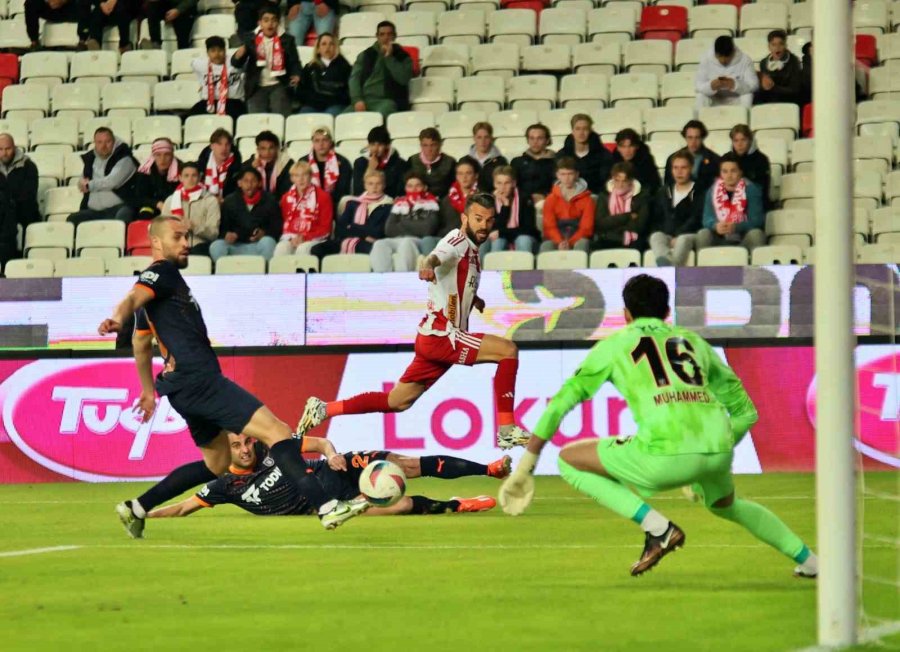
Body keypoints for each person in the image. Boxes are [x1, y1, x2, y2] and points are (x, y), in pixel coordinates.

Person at [499, 274, 819, 578]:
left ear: (625, 314)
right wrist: (708, 451)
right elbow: (746, 413)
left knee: (569, 461)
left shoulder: (615, 346)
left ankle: (658, 529)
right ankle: (811, 561)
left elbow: (560, 404)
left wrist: (525, 465)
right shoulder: (694, 342)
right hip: (718, 449)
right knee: (727, 506)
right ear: (667, 311)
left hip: (665, 456)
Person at [104, 216, 365, 538]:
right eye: (178, 237)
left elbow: (141, 343)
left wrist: (147, 391)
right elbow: (130, 300)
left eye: (188, 236)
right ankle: (327, 506)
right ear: (156, 242)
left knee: (216, 464)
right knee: (278, 432)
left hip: (179, 389)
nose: (186, 243)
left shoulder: (157, 295)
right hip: (200, 379)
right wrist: (117, 317)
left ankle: (137, 508)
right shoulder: (162, 273)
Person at [297, 192, 532, 450]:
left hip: (432, 339)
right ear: (465, 217)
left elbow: (455, 281)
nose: (484, 226)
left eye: (489, 220)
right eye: (478, 219)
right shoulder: (457, 240)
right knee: (507, 350)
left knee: (397, 401)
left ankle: (324, 409)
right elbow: (436, 256)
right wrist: (428, 264)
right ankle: (507, 428)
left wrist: (473, 299)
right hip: (444, 335)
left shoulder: (473, 251)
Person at [147, 432, 509, 519]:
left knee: (406, 464)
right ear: (225, 451)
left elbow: (319, 442)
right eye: (237, 446)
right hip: (331, 504)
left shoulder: (272, 447)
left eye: (246, 442)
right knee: (397, 506)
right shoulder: (223, 486)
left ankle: (486, 468)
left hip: (337, 469)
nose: (244, 449)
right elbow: (181, 508)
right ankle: (454, 505)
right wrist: (144, 511)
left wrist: (334, 455)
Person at [231, 5, 301, 117]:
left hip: (279, 84)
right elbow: (236, 64)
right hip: (257, 86)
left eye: (274, 20)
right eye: (266, 20)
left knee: (280, 118)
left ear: (278, 23)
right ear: (260, 23)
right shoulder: (251, 39)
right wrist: (238, 55)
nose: (270, 24)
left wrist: (296, 74)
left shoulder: (287, 40)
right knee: (257, 120)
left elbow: (294, 62)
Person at [696, 153, 766, 254]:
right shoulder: (712, 190)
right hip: (719, 238)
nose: (729, 176)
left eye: (733, 171)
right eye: (725, 171)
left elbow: (757, 220)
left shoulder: (751, 189)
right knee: (703, 234)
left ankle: (753, 269)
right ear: (720, 173)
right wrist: (715, 226)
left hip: (743, 239)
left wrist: (737, 226)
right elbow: (707, 218)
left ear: (740, 172)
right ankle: (703, 268)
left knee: (757, 234)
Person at [370, 171, 439, 272]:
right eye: (410, 186)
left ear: (425, 187)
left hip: (418, 240)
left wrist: (402, 222)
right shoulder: (400, 203)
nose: (414, 189)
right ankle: (382, 281)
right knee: (379, 244)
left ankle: (401, 281)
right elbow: (389, 229)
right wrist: (415, 226)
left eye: (417, 186)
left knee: (407, 243)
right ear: (406, 188)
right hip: (398, 239)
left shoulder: (432, 204)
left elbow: (427, 229)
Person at [68, 127, 137, 227]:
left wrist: (89, 185)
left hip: (118, 208)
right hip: (93, 211)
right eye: (99, 142)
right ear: (94, 143)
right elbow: (82, 181)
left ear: (114, 141)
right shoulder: (90, 159)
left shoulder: (125, 159)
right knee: (72, 219)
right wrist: (82, 184)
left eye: (107, 142)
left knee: (124, 217)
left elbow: (112, 182)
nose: (103, 146)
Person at [210, 167, 281, 262]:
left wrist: (264, 233)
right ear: (239, 183)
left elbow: (277, 228)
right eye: (246, 181)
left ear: (259, 183)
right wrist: (227, 235)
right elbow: (222, 228)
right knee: (216, 246)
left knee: (268, 242)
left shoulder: (270, 200)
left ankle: (263, 273)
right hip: (235, 246)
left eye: (253, 181)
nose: (249, 185)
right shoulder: (230, 201)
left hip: (259, 245)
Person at [649, 149, 704, 267]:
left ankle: (670, 271)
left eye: (683, 168)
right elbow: (657, 219)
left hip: (690, 235)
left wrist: (678, 235)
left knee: (683, 240)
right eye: (675, 168)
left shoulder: (699, 190)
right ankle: (668, 265)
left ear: (691, 168)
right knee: (656, 236)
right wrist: (668, 234)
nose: (679, 172)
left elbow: (696, 218)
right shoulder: (663, 191)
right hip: (668, 234)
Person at [347, 20, 414, 116]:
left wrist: (389, 58)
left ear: (394, 36)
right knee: (343, 118)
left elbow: (403, 79)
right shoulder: (365, 55)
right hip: (364, 100)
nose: (386, 37)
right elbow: (354, 79)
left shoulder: (403, 56)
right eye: (382, 34)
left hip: (388, 101)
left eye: (389, 34)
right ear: (377, 36)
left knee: (383, 112)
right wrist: (357, 99)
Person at [274, 160, 333, 257]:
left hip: (315, 238)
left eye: (304, 175)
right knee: (281, 248)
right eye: (296, 176)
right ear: (292, 178)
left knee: (302, 249)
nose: (301, 179)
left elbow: (326, 228)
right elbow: (284, 224)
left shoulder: (323, 197)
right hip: (292, 237)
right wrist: (290, 239)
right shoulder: (286, 198)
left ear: (311, 176)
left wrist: (305, 237)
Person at [162, 163, 220, 256]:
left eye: (194, 175)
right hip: (176, 246)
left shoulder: (210, 200)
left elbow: (214, 234)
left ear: (199, 177)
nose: (190, 179)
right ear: (180, 178)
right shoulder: (170, 200)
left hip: (200, 246)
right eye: (186, 176)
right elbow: (162, 230)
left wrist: (194, 227)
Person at [540, 157, 594, 254]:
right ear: (558, 175)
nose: (567, 178)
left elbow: (586, 227)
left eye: (570, 174)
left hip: (578, 237)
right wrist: (560, 242)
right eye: (563, 174)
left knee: (582, 244)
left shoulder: (587, 199)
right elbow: (549, 226)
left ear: (577, 174)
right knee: (546, 246)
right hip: (557, 236)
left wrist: (570, 242)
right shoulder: (550, 199)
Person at [332, 169, 393, 255]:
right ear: (365, 185)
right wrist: (364, 235)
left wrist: (352, 226)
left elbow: (378, 232)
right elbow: (339, 229)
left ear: (384, 185)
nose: (374, 187)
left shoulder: (388, 206)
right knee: (317, 249)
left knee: (371, 250)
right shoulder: (352, 203)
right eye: (370, 184)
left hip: (372, 243)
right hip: (349, 240)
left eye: (378, 184)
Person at [427, 157, 480, 254]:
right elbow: (441, 225)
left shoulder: (482, 198)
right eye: (460, 173)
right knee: (428, 240)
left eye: (468, 173)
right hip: (449, 239)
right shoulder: (447, 199)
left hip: (473, 238)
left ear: (476, 175)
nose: (464, 177)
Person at [0, 134, 40, 261]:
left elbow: (28, 195)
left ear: (14, 147)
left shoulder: (28, 167)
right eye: (0, 149)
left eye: (7, 149)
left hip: (23, 211)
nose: (4, 153)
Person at [483, 165, 538, 258]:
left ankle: (523, 272)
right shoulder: (489, 201)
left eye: (507, 183)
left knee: (523, 240)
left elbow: (528, 229)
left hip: (523, 236)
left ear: (514, 183)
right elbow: (493, 228)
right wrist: (505, 206)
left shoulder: (525, 198)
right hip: (500, 238)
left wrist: (502, 233)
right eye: (499, 183)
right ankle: (489, 272)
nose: (502, 187)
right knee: (497, 242)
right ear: (494, 184)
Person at [594, 162, 651, 252]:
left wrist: (613, 224)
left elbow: (639, 227)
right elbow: (601, 224)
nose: (620, 185)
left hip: (633, 241)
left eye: (624, 181)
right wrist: (627, 216)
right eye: (617, 180)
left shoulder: (642, 197)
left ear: (631, 181)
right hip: (608, 239)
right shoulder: (604, 196)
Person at [190, 36, 246, 120]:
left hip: (232, 102)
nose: (217, 54)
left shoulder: (235, 62)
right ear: (207, 53)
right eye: (213, 51)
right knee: (191, 118)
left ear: (225, 50)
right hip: (209, 102)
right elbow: (193, 65)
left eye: (220, 50)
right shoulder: (200, 64)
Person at [695, 35, 758, 108]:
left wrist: (735, 85)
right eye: (720, 56)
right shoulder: (705, 59)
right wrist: (710, 86)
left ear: (733, 52)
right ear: (715, 53)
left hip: (736, 99)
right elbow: (698, 86)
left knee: (748, 96)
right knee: (701, 96)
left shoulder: (745, 60)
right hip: (714, 99)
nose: (723, 60)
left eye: (727, 57)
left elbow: (754, 85)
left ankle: (744, 118)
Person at [555, 114, 612, 194]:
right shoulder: (562, 155)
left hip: (595, 195)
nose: (581, 133)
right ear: (572, 131)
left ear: (590, 130)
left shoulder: (604, 155)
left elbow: (606, 181)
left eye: (585, 129)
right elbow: (557, 180)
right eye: (578, 129)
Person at [299, 33, 352, 116]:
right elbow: (302, 90)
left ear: (335, 47)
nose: (327, 47)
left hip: (335, 105)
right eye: (324, 44)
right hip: (313, 105)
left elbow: (347, 91)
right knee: (304, 115)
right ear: (318, 49)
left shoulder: (345, 67)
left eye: (331, 44)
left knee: (330, 114)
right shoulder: (309, 68)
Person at [664, 120, 719, 195]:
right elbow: (668, 185)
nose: (693, 141)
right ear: (685, 138)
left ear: (702, 138)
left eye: (697, 137)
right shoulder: (673, 159)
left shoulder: (714, 160)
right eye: (690, 137)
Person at [352, 126, 409, 199]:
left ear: (387, 146)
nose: (376, 148)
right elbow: (358, 192)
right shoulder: (360, 162)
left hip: (389, 203)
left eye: (380, 145)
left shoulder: (400, 164)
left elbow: (400, 192)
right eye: (372, 144)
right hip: (365, 202)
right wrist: (370, 170)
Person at [133, 138, 181, 219]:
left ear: (172, 155)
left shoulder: (181, 170)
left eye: (167, 154)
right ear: (153, 155)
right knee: (144, 214)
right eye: (158, 155)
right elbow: (139, 197)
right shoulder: (145, 170)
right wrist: (157, 204)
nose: (162, 159)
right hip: (152, 205)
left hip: (174, 207)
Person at [306, 126, 352, 208]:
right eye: (317, 141)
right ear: (312, 143)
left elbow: (343, 191)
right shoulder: (304, 162)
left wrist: (324, 201)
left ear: (330, 142)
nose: (321, 144)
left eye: (325, 140)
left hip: (333, 204)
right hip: (309, 203)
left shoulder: (343, 162)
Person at [511, 123, 556, 205]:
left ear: (547, 140)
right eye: (532, 138)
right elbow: (512, 186)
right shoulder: (517, 162)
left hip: (550, 203)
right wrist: (528, 197)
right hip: (522, 204)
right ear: (527, 140)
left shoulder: (556, 162)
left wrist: (545, 196)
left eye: (540, 138)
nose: (535, 142)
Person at [728, 124, 771, 209]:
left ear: (750, 140)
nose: (739, 144)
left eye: (743, 140)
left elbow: (762, 190)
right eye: (736, 141)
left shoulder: (761, 160)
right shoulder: (726, 159)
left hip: (754, 204)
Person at [755, 30, 803, 106]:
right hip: (768, 102)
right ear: (769, 47)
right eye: (773, 44)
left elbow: (795, 90)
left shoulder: (793, 61)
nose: (777, 48)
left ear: (785, 45)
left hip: (788, 102)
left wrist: (773, 87)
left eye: (781, 44)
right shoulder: (764, 63)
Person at [408, 127, 456, 199]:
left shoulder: (450, 163)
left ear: (439, 145)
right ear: (420, 145)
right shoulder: (412, 161)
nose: (429, 149)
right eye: (425, 145)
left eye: (433, 145)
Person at [198, 128, 243, 201]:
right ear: (212, 146)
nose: (224, 148)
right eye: (219, 144)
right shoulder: (200, 167)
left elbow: (239, 196)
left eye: (227, 144)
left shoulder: (238, 169)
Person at [611, 128, 661, 195]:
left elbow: (654, 186)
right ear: (618, 148)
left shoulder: (646, 160)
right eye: (623, 147)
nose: (627, 150)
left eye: (630, 146)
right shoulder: (612, 160)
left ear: (636, 146)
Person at [246, 130, 293, 197]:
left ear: (277, 148)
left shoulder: (287, 164)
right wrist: (252, 170)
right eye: (263, 148)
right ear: (258, 150)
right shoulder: (250, 163)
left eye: (271, 148)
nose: (267, 152)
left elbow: (287, 191)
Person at [469, 122, 507, 190]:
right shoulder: (466, 161)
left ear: (491, 138)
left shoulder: (501, 162)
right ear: (474, 138)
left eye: (486, 137)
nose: (482, 141)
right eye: (479, 137)